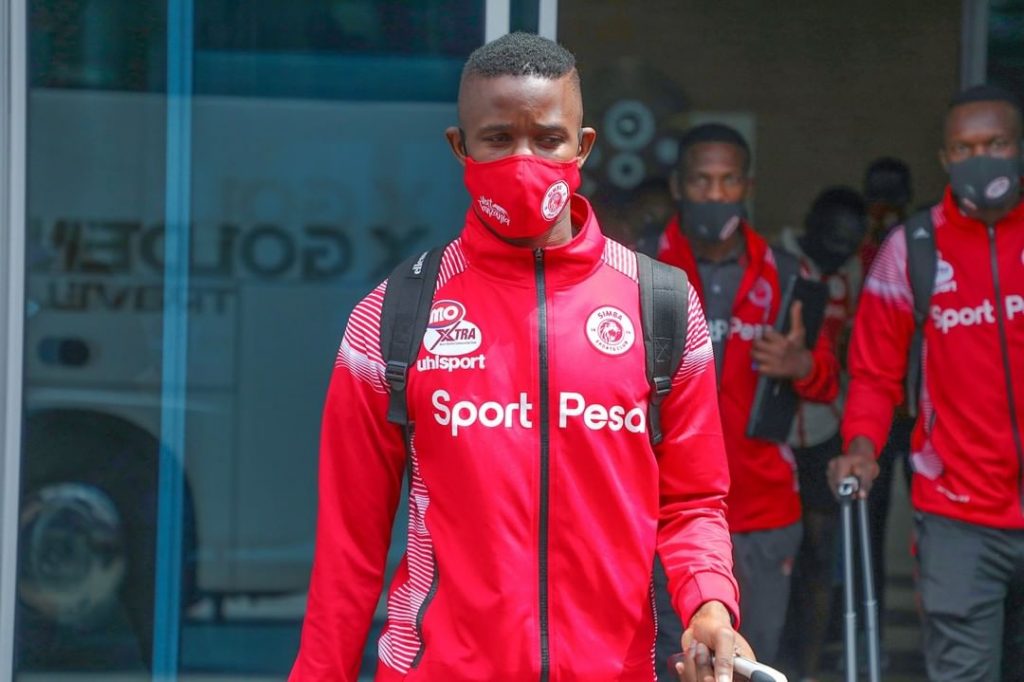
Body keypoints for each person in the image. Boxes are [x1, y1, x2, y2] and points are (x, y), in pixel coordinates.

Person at [290, 33, 752, 682]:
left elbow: (694, 501)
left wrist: (709, 604)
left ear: (583, 146)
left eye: (548, 138)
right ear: (460, 147)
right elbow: (349, 545)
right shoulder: (392, 316)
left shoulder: (663, 307)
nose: (524, 160)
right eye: (499, 139)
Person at [831, 84, 1024, 682]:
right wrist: (861, 446)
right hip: (957, 511)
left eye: (996, 144)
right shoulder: (912, 248)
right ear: (944, 158)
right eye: (964, 148)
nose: (980, 159)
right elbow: (873, 372)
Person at [656, 123, 840, 667]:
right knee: (669, 663)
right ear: (678, 186)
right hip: (662, 513)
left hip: (762, 508)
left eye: (728, 180)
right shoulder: (637, 268)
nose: (715, 194)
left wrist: (802, 366)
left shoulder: (787, 273)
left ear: (747, 186)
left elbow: (830, 380)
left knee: (751, 664)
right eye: (702, 180)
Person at [777, 187, 866, 682]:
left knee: (818, 556)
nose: (840, 248)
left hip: (826, 428)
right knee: (770, 557)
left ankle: (807, 670)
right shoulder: (776, 263)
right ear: (811, 222)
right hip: (769, 433)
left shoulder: (856, 276)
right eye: (833, 237)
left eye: (850, 242)